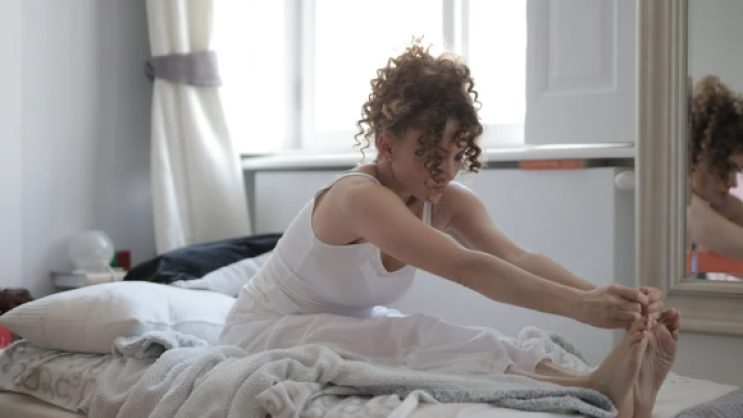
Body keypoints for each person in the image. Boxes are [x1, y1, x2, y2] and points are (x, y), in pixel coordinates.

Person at [221, 40, 680, 418]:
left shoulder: (446, 200)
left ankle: (595, 384)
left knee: (456, 338)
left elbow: (516, 258)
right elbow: (467, 268)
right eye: (431, 156)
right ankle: (589, 386)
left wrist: (609, 299)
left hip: (340, 324)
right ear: (386, 146)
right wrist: (581, 308)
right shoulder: (356, 197)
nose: (446, 172)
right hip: (262, 331)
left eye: (457, 156)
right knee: (413, 335)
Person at [687, 75, 743, 267]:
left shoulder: (719, 204)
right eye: (726, 169)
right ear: (697, 156)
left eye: (737, 171)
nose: (733, 183)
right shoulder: (679, 202)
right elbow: (697, 224)